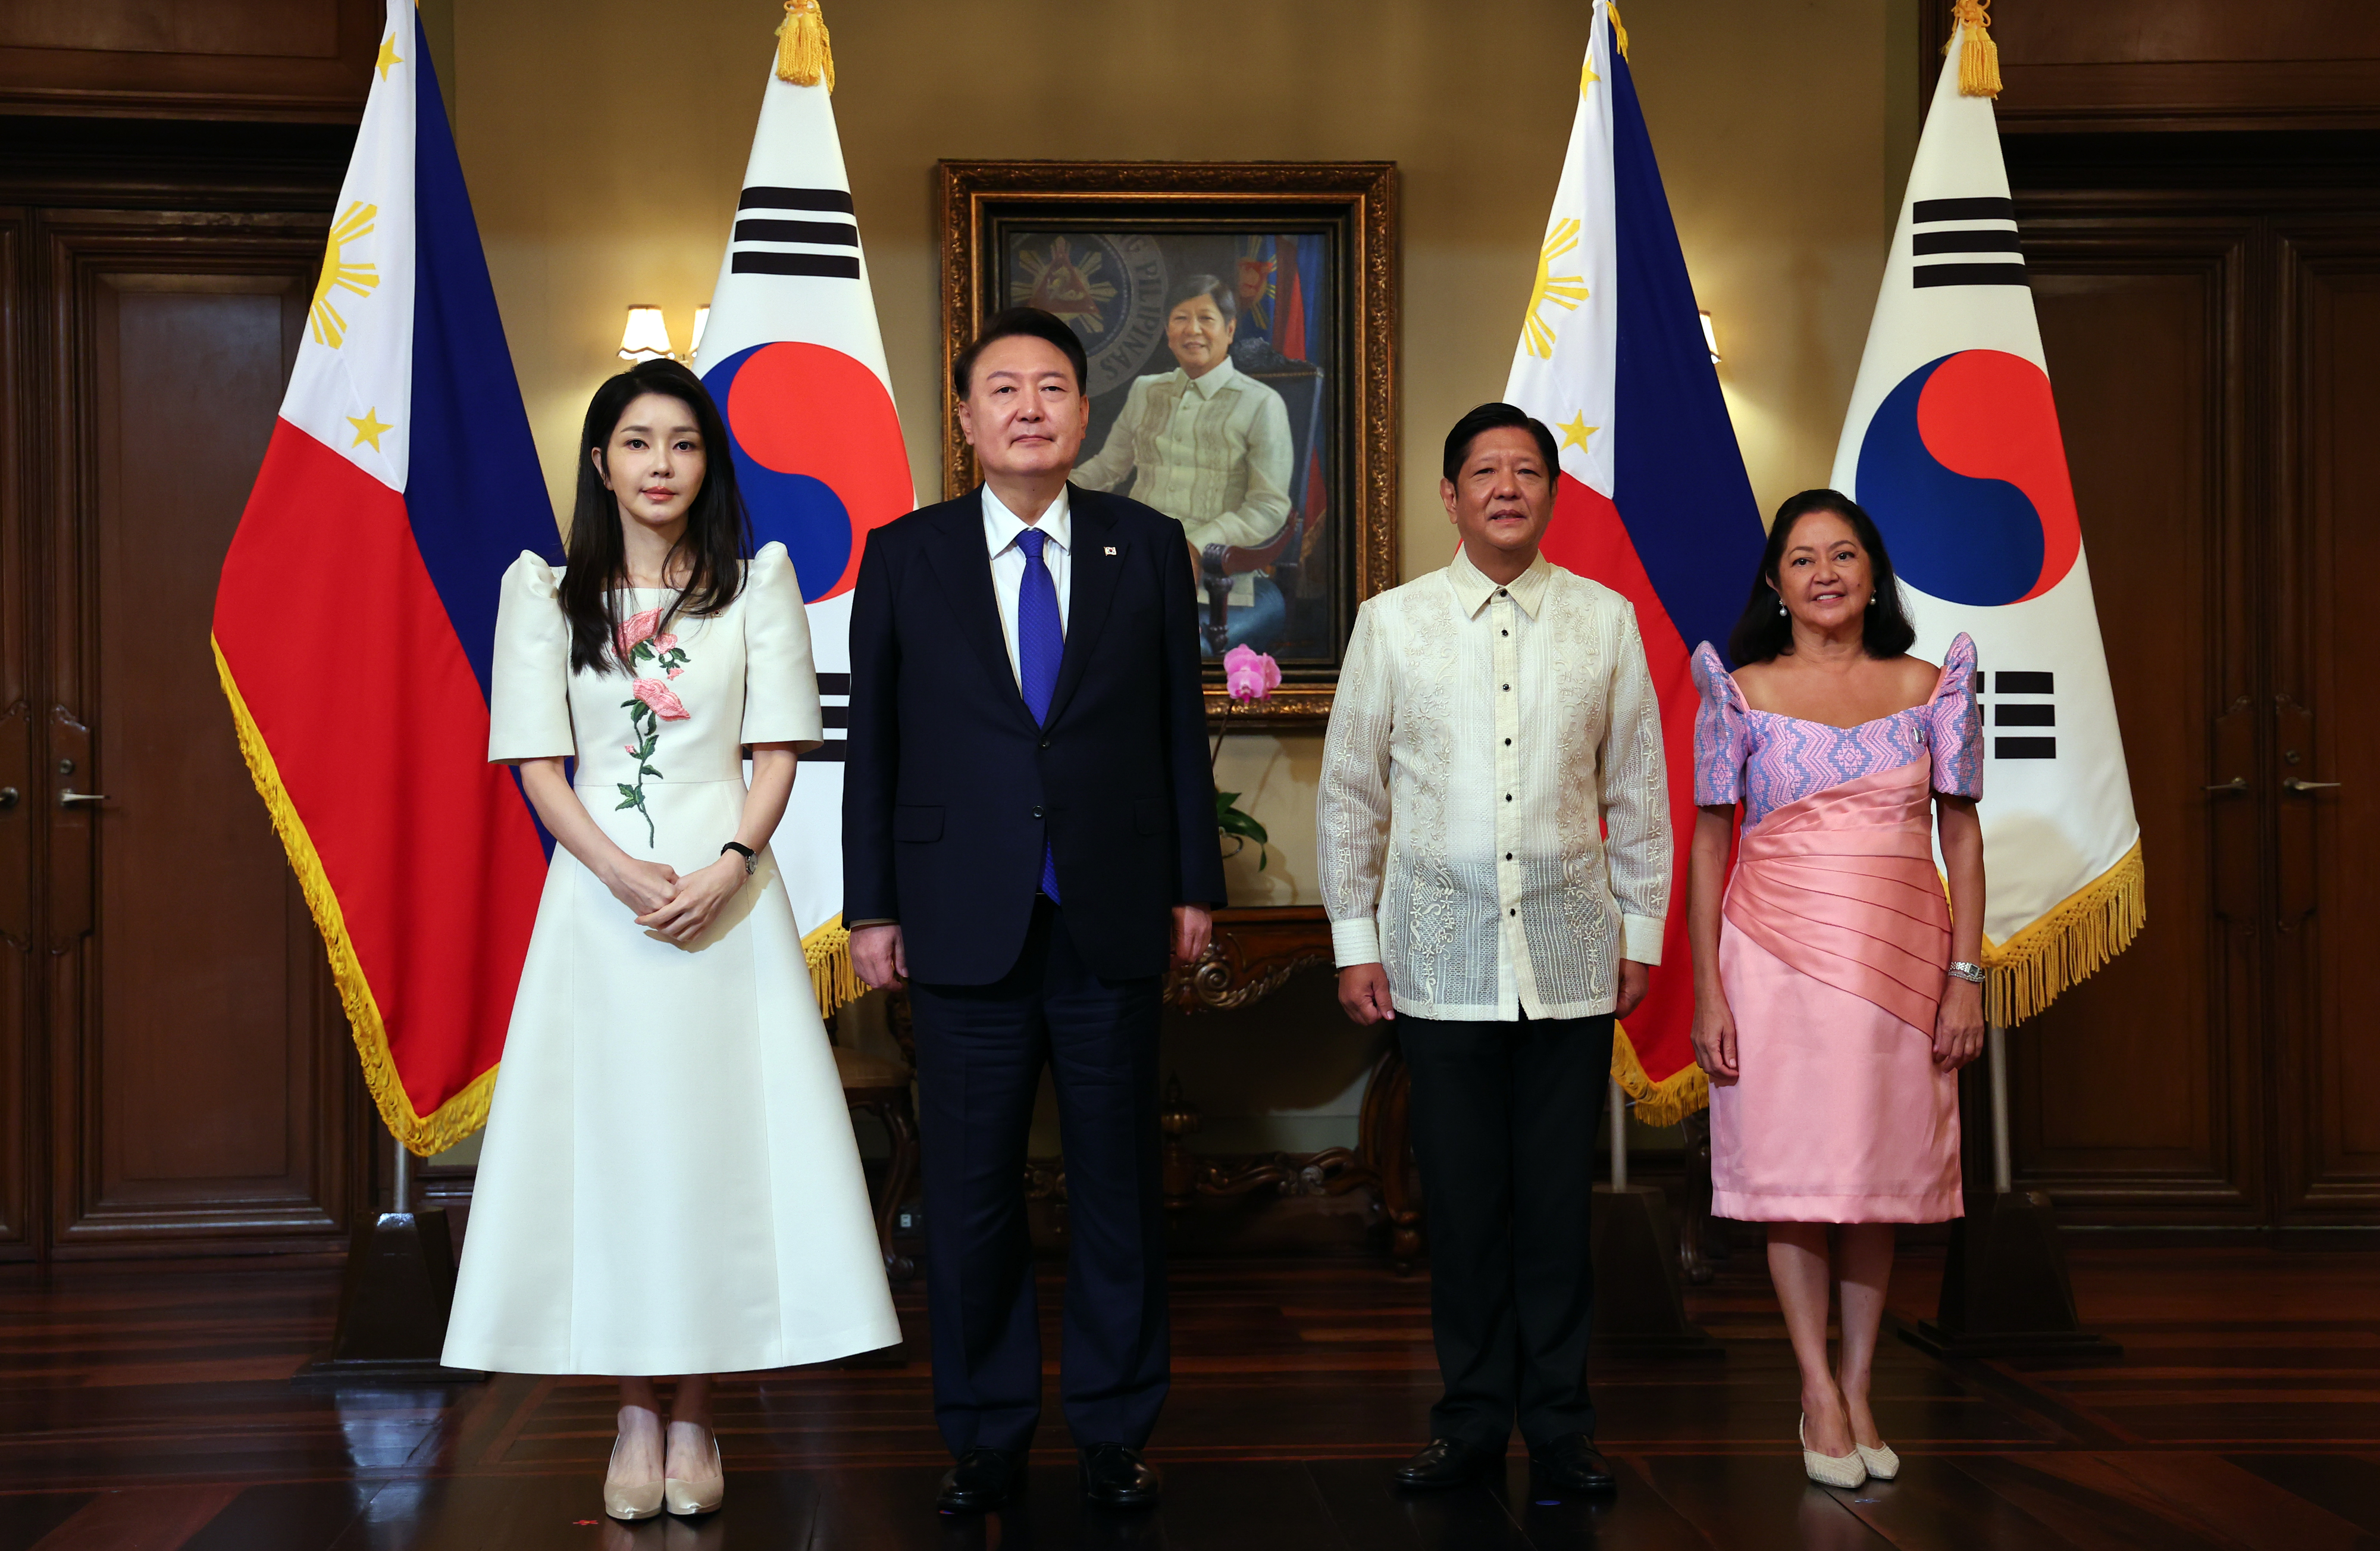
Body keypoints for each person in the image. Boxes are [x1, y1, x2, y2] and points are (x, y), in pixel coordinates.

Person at [443, 359, 900, 1522]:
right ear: (600, 462)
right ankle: (632, 1409)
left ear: (709, 463)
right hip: (599, 907)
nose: (660, 464)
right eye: (637, 442)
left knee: (711, 1147)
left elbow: (780, 752)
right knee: (616, 1150)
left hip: (727, 897)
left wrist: (729, 867)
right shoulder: (543, 595)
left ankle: (693, 1404)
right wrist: (614, 870)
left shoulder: (758, 587)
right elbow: (538, 766)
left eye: (683, 443)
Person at [842, 306, 1226, 1515]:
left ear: (1084, 413)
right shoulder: (903, 555)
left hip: (1108, 914)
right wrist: (871, 906)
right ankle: (985, 1430)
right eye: (1000, 389)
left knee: (1119, 1186)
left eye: (1050, 387)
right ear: (963, 419)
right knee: (968, 1194)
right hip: (960, 919)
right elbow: (876, 749)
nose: (1026, 407)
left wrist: (1192, 885)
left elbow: (1177, 729)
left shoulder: (1145, 545)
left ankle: (1114, 1429)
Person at [1317, 402, 1670, 1497]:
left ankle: (1562, 1429)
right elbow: (1352, 796)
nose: (1507, 487)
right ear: (1450, 494)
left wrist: (1643, 929)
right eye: (1485, 471)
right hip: (1436, 960)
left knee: (1557, 1212)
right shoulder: (1392, 623)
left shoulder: (1605, 621)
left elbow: (1640, 793)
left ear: (1552, 494)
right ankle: (1470, 1422)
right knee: (1464, 1212)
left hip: (1569, 956)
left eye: (1527, 471)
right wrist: (1354, 939)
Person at [1685, 489, 1986, 1489]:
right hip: (1772, 961)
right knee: (1796, 1180)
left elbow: (1962, 838)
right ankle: (1814, 1387)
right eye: (1804, 558)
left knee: (1875, 1185)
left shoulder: (1931, 683)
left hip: (1902, 963)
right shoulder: (1740, 690)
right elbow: (1710, 843)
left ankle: (1862, 1385)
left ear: (1873, 575)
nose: (1825, 573)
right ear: (1775, 582)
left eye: (1844, 554)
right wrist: (1709, 996)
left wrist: (1964, 981)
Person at [1073, 274, 1297, 655]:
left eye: (1206, 319)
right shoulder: (1147, 390)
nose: (1192, 330)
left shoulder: (1262, 403)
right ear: (1167, 331)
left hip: (1221, 584)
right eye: (1180, 318)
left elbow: (1269, 506)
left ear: (1229, 330)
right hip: (1131, 568)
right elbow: (1108, 468)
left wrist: (1193, 547)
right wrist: (1048, 498)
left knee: (1144, 648)